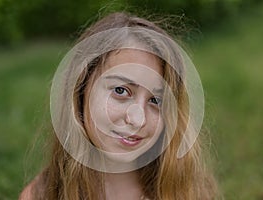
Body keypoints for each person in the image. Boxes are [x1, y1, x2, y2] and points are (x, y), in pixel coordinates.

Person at [20, 12, 219, 200]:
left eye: (156, 100)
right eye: (121, 91)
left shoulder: (186, 191)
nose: (137, 119)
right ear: (80, 89)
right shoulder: (41, 195)